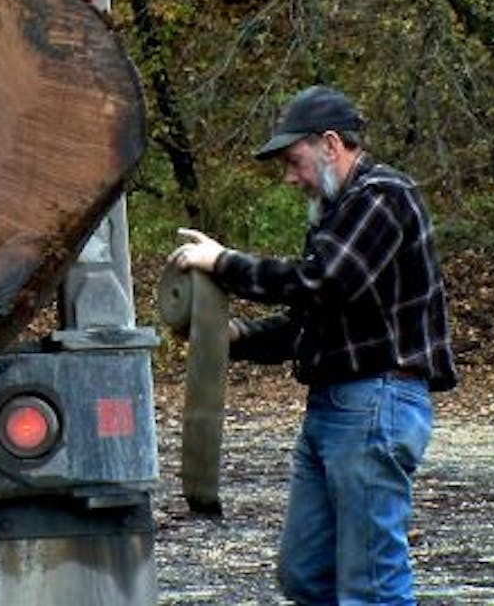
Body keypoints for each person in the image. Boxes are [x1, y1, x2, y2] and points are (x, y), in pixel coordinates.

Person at [169, 85, 457, 605]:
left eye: (294, 161)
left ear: (330, 144)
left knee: (371, 583)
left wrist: (224, 264)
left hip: (376, 402)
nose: (290, 177)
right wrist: (233, 338)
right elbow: (311, 318)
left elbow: (321, 282)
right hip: (334, 405)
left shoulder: (383, 197)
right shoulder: (337, 211)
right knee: (306, 575)